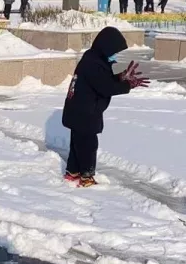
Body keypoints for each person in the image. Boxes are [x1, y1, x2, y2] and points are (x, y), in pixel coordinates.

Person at [61, 27, 148, 187]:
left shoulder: (93, 58)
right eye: (114, 51)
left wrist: (120, 77)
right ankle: (86, 178)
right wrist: (128, 84)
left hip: (78, 112)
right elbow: (106, 87)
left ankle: (72, 172)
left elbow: (102, 80)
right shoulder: (93, 63)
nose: (115, 55)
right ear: (106, 46)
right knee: (88, 145)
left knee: (77, 144)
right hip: (84, 114)